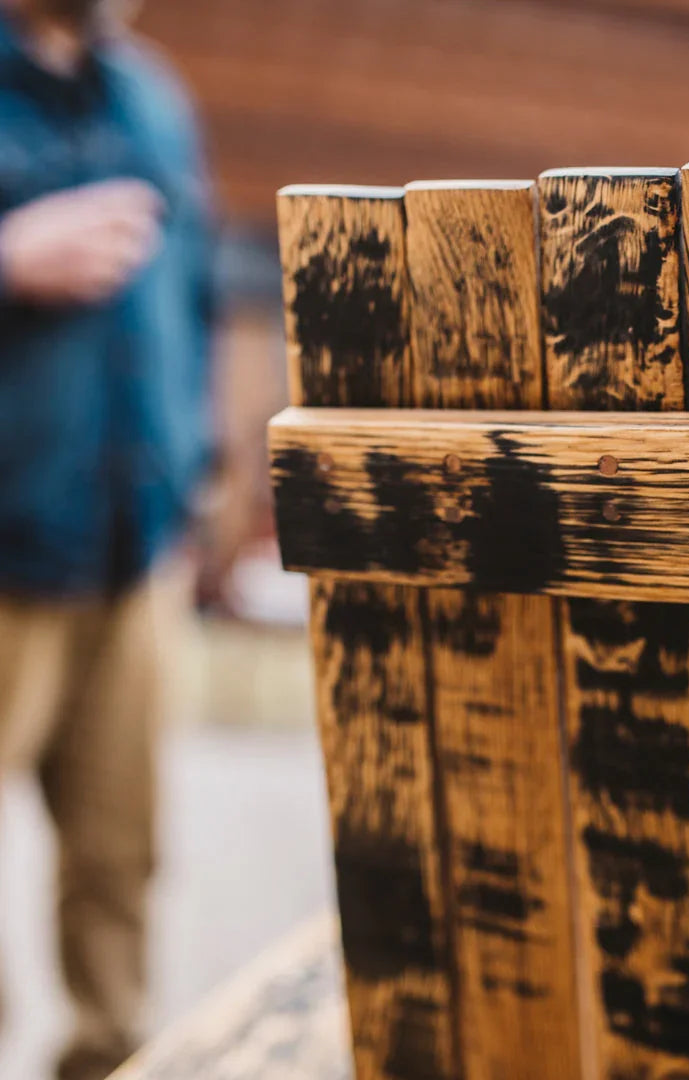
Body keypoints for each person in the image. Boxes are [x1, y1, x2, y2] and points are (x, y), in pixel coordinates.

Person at [0, 0, 214, 1076]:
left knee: (120, 858)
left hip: (135, 555)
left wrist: (194, 484)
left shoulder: (156, 97)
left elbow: (195, 300)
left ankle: (109, 1056)